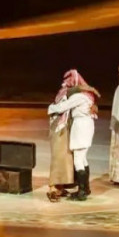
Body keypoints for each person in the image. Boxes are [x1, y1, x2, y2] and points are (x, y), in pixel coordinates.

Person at [47, 69, 99, 201]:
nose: (66, 83)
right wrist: (90, 88)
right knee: (83, 158)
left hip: (81, 127)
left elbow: (62, 107)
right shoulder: (87, 96)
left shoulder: (78, 97)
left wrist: (50, 108)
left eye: (69, 80)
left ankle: (82, 192)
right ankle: (85, 188)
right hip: (86, 126)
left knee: (78, 160)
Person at [47, 73, 77, 201]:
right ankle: (53, 188)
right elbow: (60, 108)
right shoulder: (67, 93)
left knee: (65, 158)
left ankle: (60, 186)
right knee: (59, 158)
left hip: (61, 129)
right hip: (59, 129)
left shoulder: (65, 92)